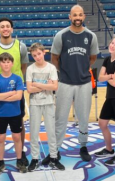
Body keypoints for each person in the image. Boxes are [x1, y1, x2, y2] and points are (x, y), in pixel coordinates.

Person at [48, 4, 99, 164]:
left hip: (84, 83)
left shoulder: (91, 36)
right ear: (70, 17)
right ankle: (55, 150)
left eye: (80, 15)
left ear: (84, 17)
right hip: (65, 82)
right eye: (74, 15)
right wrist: (63, 72)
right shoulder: (61, 35)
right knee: (60, 118)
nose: (77, 18)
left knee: (83, 117)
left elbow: (92, 58)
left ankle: (83, 146)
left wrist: (83, 69)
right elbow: (54, 57)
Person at [0, 17, 29, 167]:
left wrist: (17, 87)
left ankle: (21, 153)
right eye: (2, 26)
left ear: (12, 29)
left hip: (16, 89)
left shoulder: (21, 46)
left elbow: (24, 67)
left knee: (19, 122)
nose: (5, 29)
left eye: (8, 26)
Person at [25, 43, 65, 171]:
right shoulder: (30, 69)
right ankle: (35, 158)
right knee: (34, 133)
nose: (37, 57)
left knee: (51, 132)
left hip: (48, 102)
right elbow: (29, 89)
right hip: (35, 104)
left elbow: (55, 87)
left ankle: (54, 157)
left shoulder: (51, 68)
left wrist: (37, 83)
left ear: (44, 53)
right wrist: (45, 85)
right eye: (34, 55)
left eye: (39, 54)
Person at [93, 36, 115, 166]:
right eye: (112, 43)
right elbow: (100, 77)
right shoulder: (107, 59)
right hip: (111, 96)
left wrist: (107, 77)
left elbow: (114, 83)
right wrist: (110, 75)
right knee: (102, 123)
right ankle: (109, 150)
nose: (112, 45)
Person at [0, 52, 25, 175]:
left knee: (17, 137)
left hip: (15, 113)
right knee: (0, 138)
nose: (6, 64)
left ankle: (19, 160)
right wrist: (11, 93)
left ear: (12, 63)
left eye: (8, 62)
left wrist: (2, 97)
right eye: (3, 62)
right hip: (1, 114)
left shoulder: (17, 78)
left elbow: (19, 96)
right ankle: (0, 161)